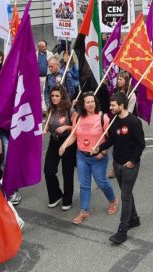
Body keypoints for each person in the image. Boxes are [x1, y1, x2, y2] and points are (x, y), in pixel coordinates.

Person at [93, 92, 145, 245]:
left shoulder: (134, 122)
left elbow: (141, 144)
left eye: (113, 105)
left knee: (125, 196)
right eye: (110, 105)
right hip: (117, 164)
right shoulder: (114, 120)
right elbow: (111, 140)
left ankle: (122, 230)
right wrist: (99, 148)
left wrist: (132, 161)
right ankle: (134, 219)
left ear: (121, 105)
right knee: (125, 193)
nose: (110, 107)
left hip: (129, 166)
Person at [58, 92, 118, 225]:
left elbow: (111, 138)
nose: (91, 104)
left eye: (92, 101)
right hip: (81, 156)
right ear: (83, 105)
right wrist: (64, 145)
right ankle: (84, 211)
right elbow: (74, 135)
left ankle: (113, 200)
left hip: (98, 157)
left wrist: (102, 153)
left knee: (101, 182)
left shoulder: (103, 117)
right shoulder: (78, 117)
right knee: (84, 185)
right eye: (87, 102)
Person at [43, 85, 76, 211]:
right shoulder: (50, 109)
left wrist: (66, 127)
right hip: (54, 140)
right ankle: (56, 195)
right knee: (48, 170)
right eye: (52, 96)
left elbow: (78, 126)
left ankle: (67, 199)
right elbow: (48, 123)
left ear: (62, 96)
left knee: (67, 173)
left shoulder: (70, 110)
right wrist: (45, 130)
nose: (54, 98)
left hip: (68, 142)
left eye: (57, 96)